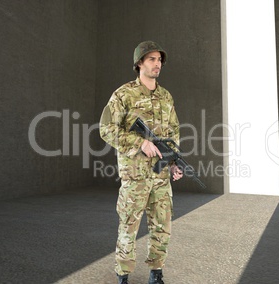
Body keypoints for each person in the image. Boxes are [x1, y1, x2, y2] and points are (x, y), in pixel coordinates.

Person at [99, 41, 183, 284]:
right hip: (135, 174)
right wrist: (139, 143)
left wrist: (174, 161)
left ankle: (156, 273)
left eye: (159, 60)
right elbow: (106, 129)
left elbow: (174, 132)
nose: (157, 64)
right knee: (129, 225)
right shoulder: (123, 94)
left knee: (162, 227)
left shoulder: (166, 96)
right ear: (139, 64)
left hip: (160, 176)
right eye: (152, 60)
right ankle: (123, 275)